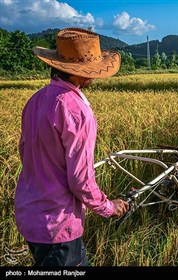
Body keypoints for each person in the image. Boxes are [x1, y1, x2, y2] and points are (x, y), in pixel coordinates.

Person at [14, 27, 129, 266]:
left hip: (30, 217)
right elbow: (80, 180)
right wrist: (108, 207)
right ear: (83, 74)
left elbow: (24, 152)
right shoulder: (77, 111)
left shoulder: (35, 100)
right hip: (59, 225)